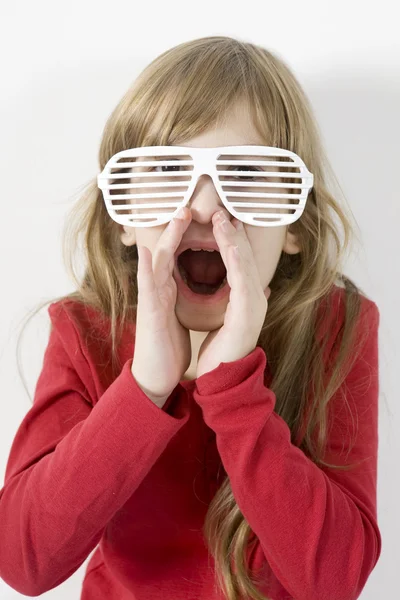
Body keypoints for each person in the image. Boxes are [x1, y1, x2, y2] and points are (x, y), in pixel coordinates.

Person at [0, 36, 381, 600]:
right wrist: (144, 387)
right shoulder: (87, 331)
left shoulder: (338, 327)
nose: (204, 205)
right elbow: (22, 561)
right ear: (125, 217)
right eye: (166, 172)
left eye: (248, 176)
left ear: (295, 225)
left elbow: (336, 580)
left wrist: (235, 393)